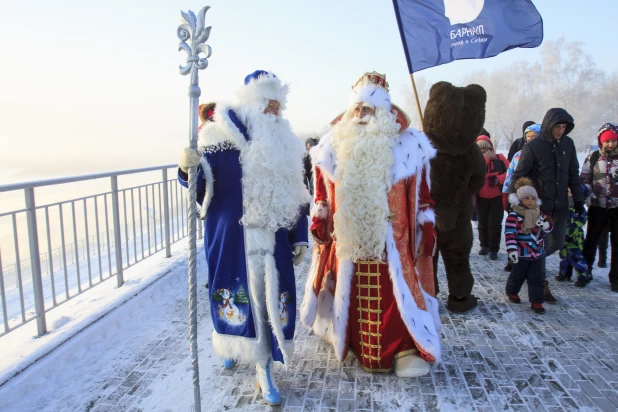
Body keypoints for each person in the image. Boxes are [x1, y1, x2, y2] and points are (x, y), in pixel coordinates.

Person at [177, 70, 311, 405]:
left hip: (273, 239)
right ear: (251, 104)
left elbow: (297, 192)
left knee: (269, 301)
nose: (274, 113)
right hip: (233, 238)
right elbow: (201, 185)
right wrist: (187, 167)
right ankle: (231, 340)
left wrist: (299, 236)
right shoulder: (219, 140)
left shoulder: (285, 144)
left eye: (278, 106)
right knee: (236, 296)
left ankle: (262, 365)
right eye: (267, 105)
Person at [300, 72, 441, 377]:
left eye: (368, 109)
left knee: (396, 298)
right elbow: (322, 193)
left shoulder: (409, 146)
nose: (361, 115)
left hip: (394, 243)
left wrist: (425, 224)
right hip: (349, 242)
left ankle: (404, 349)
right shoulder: (333, 146)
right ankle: (352, 342)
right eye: (357, 109)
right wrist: (320, 218)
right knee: (350, 296)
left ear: (383, 113)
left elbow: (423, 196)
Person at [510, 108, 582, 303]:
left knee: (556, 243)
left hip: (560, 206)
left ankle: (525, 262)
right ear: (549, 125)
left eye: (564, 127)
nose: (560, 130)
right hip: (538, 207)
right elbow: (519, 175)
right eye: (557, 126)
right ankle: (540, 285)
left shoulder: (568, 144)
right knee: (540, 246)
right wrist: (515, 199)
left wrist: (579, 199)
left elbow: (573, 173)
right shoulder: (533, 147)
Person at [505, 178, 554, 313]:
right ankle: (512, 291)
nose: (530, 201)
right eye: (527, 198)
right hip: (522, 253)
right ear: (520, 200)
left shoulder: (540, 214)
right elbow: (509, 234)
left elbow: (548, 229)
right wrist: (512, 250)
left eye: (533, 198)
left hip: (537, 252)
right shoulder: (514, 216)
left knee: (537, 278)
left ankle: (537, 301)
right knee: (518, 275)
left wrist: (545, 226)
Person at [580, 123, 618, 292]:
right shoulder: (594, 157)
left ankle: (615, 278)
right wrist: (588, 194)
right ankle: (585, 272)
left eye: (614, 141)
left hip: (617, 207)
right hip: (598, 205)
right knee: (591, 240)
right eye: (607, 141)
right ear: (601, 141)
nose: (611, 144)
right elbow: (585, 178)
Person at [502, 124, 540, 271]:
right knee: (516, 229)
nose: (530, 139)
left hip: (535, 199)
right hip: (519, 197)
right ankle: (512, 258)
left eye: (534, 137)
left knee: (532, 230)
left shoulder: (544, 155)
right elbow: (510, 175)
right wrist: (506, 193)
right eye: (528, 136)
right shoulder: (519, 154)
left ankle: (531, 257)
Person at [475, 135, 509, 260]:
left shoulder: (500, 159)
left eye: (486, 148)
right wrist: (486, 159)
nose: (483, 151)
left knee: (494, 224)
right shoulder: (476, 161)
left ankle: (494, 248)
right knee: (482, 223)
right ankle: (484, 245)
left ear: (490, 147)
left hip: (497, 197)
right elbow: (474, 171)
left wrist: (498, 179)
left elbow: (511, 171)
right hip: (481, 197)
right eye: (480, 149)